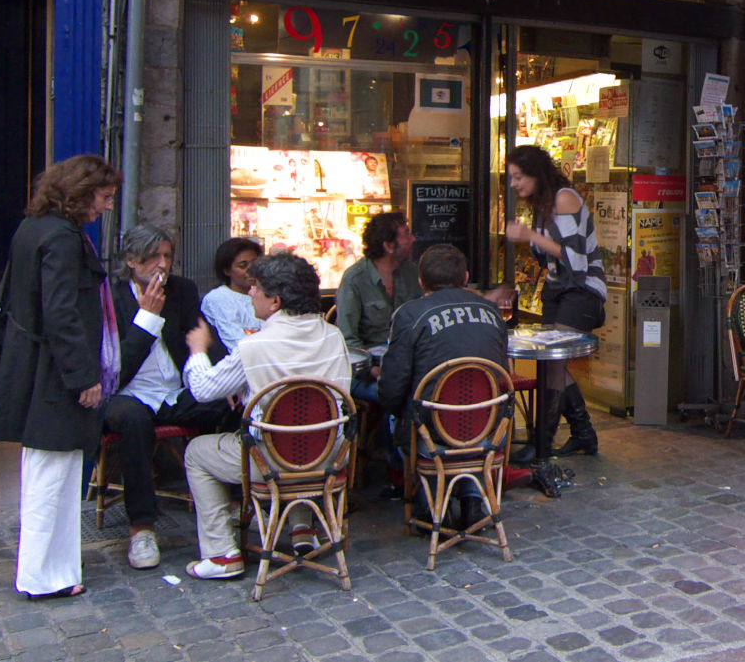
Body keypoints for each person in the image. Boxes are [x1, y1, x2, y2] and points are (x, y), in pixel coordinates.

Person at [0, 154, 121, 600]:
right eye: (103, 197)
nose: (106, 207)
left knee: (51, 470)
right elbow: (61, 312)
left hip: (35, 365)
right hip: (52, 371)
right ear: (82, 193)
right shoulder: (63, 238)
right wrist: (83, 376)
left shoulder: (35, 227)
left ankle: (52, 569)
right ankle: (45, 574)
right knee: (54, 472)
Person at [178, 252, 351, 580]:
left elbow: (202, 389)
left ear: (275, 301)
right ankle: (302, 528)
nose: (250, 293)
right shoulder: (334, 336)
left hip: (272, 463)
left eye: (256, 288)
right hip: (328, 456)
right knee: (302, 429)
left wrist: (199, 351)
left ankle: (221, 553)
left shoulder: (254, 347)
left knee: (198, 453)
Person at [101, 224, 234, 571]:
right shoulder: (111, 296)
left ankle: (230, 505)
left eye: (167, 256)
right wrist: (146, 318)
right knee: (133, 421)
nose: (162, 265)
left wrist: (225, 380)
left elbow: (203, 337)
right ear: (131, 260)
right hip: (127, 392)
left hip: (174, 391)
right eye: (153, 257)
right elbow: (116, 370)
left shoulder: (182, 290)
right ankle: (141, 527)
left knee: (226, 404)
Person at [377, 244, 510, 525]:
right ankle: (472, 493)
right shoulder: (492, 311)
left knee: (399, 416)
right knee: (466, 417)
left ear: (421, 281)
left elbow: (393, 387)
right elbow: (503, 373)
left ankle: (430, 500)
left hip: (432, 432)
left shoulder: (409, 315)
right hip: (487, 429)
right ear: (465, 278)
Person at [505, 145, 602, 463]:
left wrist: (529, 235)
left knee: (553, 365)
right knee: (550, 363)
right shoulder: (543, 205)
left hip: (580, 291)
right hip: (558, 290)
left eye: (519, 177)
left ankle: (542, 446)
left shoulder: (564, 198)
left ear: (536, 173)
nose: (514, 184)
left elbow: (575, 257)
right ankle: (582, 434)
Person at [338, 211, 423, 401]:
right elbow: (347, 338)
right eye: (406, 234)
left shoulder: (412, 273)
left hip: (406, 364)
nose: (413, 239)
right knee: (398, 396)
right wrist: (373, 369)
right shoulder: (355, 279)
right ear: (389, 246)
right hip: (368, 370)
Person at [200, 237, 264, 352]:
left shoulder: (264, 294)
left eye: (254, 264)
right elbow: (236, 343)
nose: (251, 270)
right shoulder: (219, 298)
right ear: (227, 270)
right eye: (242, 266)